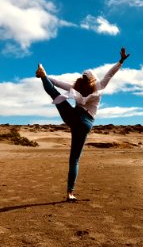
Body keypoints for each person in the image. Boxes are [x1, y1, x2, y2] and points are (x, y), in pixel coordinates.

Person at [36, 48, 130, 201]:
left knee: (54, 93)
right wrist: (121, 61)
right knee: (75, 160)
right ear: (93, 78)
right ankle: (70, 193)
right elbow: (110, 74)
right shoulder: (99, 86)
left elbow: (57, 83)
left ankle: (42, 75)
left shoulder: (76, 87)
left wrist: (46, 77)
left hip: (73, 117)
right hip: (86, 122)